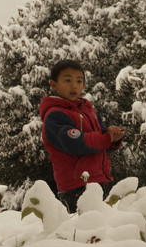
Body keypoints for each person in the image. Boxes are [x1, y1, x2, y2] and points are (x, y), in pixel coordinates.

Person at [39, 59, 125, 213]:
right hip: (76, 186)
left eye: (79, 81)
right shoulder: (55, 115)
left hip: (98, 181)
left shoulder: (87, 110)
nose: (74, 86)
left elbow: (100, 141)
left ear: (84, 85)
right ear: (53, 84)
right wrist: (105, 138)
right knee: (81, 232)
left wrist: (112, 139)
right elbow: (76, 143)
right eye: (67, 80)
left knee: (99, 232)